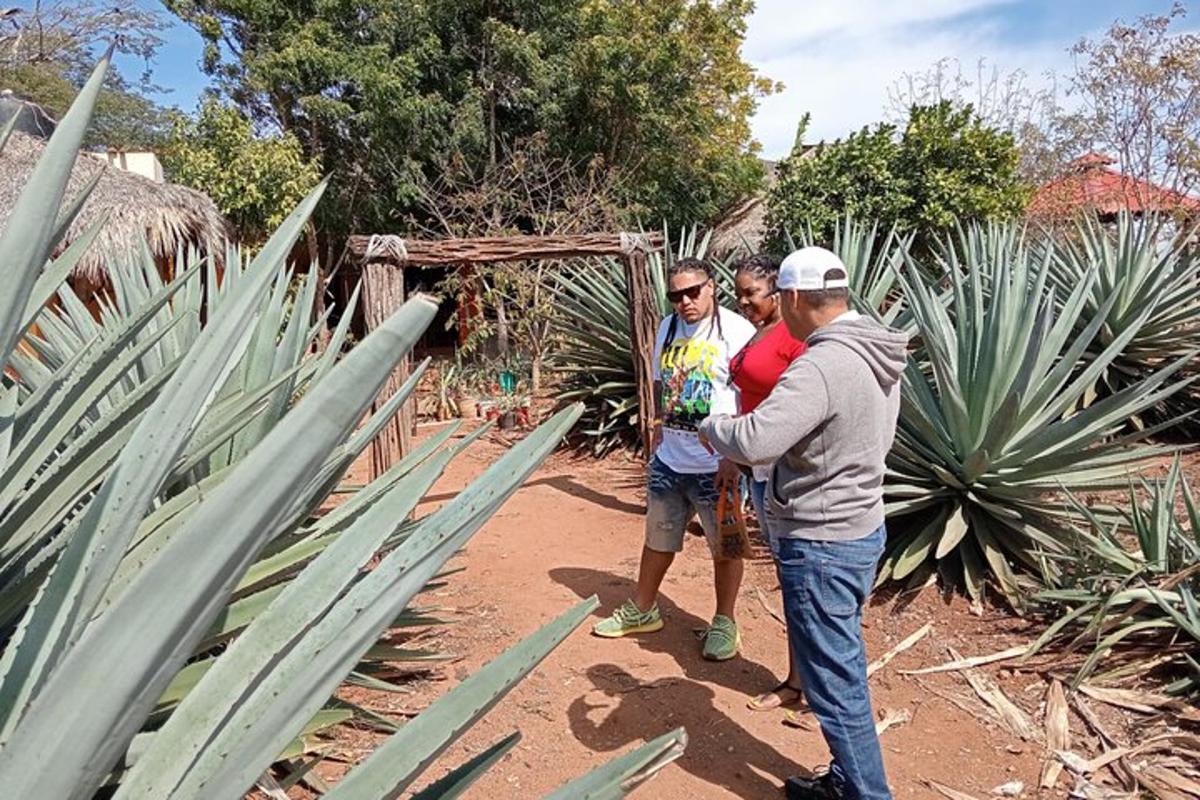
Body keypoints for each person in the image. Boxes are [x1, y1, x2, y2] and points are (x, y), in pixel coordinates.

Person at [699, 246, 908, 800]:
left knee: (836, 682)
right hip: (860, 523)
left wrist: (713, 427)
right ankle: (847, 779)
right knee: (837, 661)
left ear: (791, 298)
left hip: (819, 538)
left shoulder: (820, 364)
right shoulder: (875, 349)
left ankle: (865, 793)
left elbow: (758, 437)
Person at [593, 256, 755, 661]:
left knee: (726, 548)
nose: (684, 301)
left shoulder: (738, 331)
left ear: (712, 286)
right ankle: (644, 609)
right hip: (671, 459)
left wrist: (734, 456)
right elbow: (660, 382)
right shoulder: (667, 329)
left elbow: (752, 396)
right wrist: (659, 428)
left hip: (718, 466)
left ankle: (725, 621)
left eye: (692, 291)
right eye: (675, 295)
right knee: (658, 538)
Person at [729, 253, 809, 711]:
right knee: (787, 574)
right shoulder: (761, 332)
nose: (743, 302)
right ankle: (796, 679)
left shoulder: (795, 339)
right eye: (738, 293)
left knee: (801, 578)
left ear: (779, 293)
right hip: (758, 472)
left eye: (751, 294)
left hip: (784, 470)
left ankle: (814, 688)